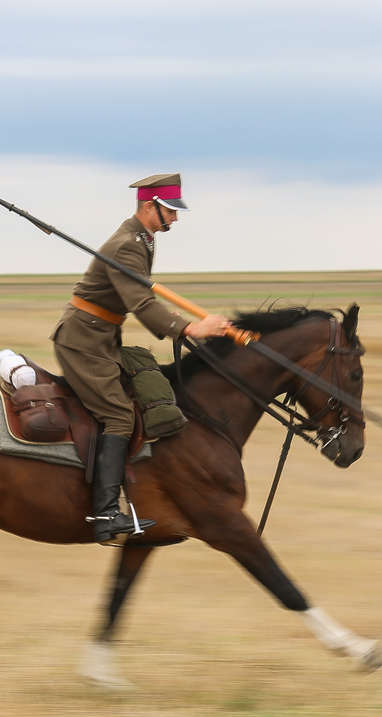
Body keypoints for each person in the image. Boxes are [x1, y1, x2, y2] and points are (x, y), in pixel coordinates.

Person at [51, 173, 231, 543]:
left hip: (101, 339)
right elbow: (141, 303)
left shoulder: (142, 239)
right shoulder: (127, 246)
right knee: (118, 415)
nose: (176, 219)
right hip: (82, 342)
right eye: (171, 211)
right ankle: (104, 514)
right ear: (149, 207)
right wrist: (191, 329)